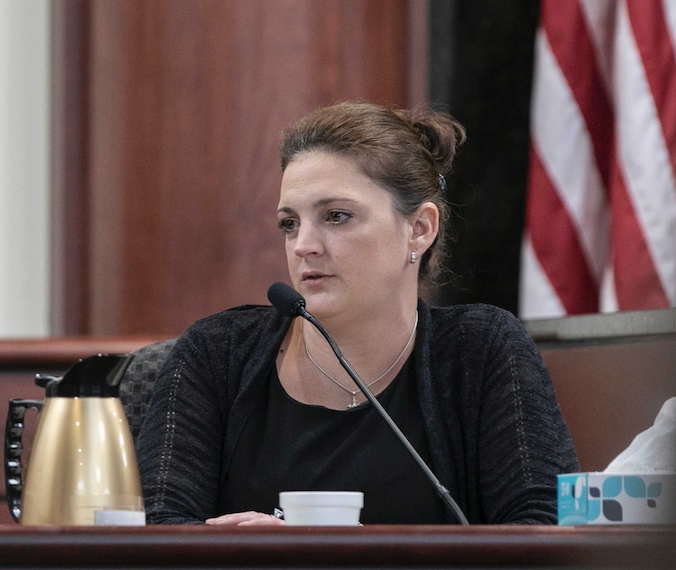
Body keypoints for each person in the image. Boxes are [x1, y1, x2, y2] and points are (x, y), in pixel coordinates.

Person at [136, 101, 579, 525]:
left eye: (336, 216)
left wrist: (321, 555)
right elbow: (156, 533)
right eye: (289, 223)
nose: (303, 244)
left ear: (419, 229)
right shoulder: (217, 353)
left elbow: (543, 535)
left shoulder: (480, 351)